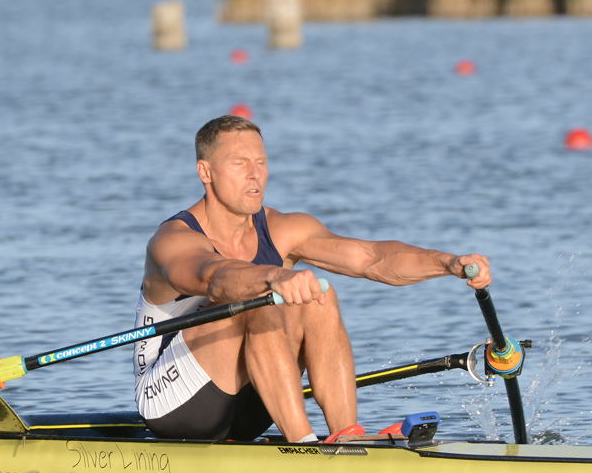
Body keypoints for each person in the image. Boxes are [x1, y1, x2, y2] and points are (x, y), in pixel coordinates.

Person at [133, 115, 491, 444]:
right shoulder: (173, 241)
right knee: (262, 299)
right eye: (240, 164)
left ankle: (345, 436)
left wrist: (447, 262)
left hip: (253, 406)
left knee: (320, 294)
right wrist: (274, 276)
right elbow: (215, 277)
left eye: (261, 163)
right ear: (206, 172)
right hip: (174, 404)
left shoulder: (284, 228)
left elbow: (371, 259)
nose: (255, 175)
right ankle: (302, 444)